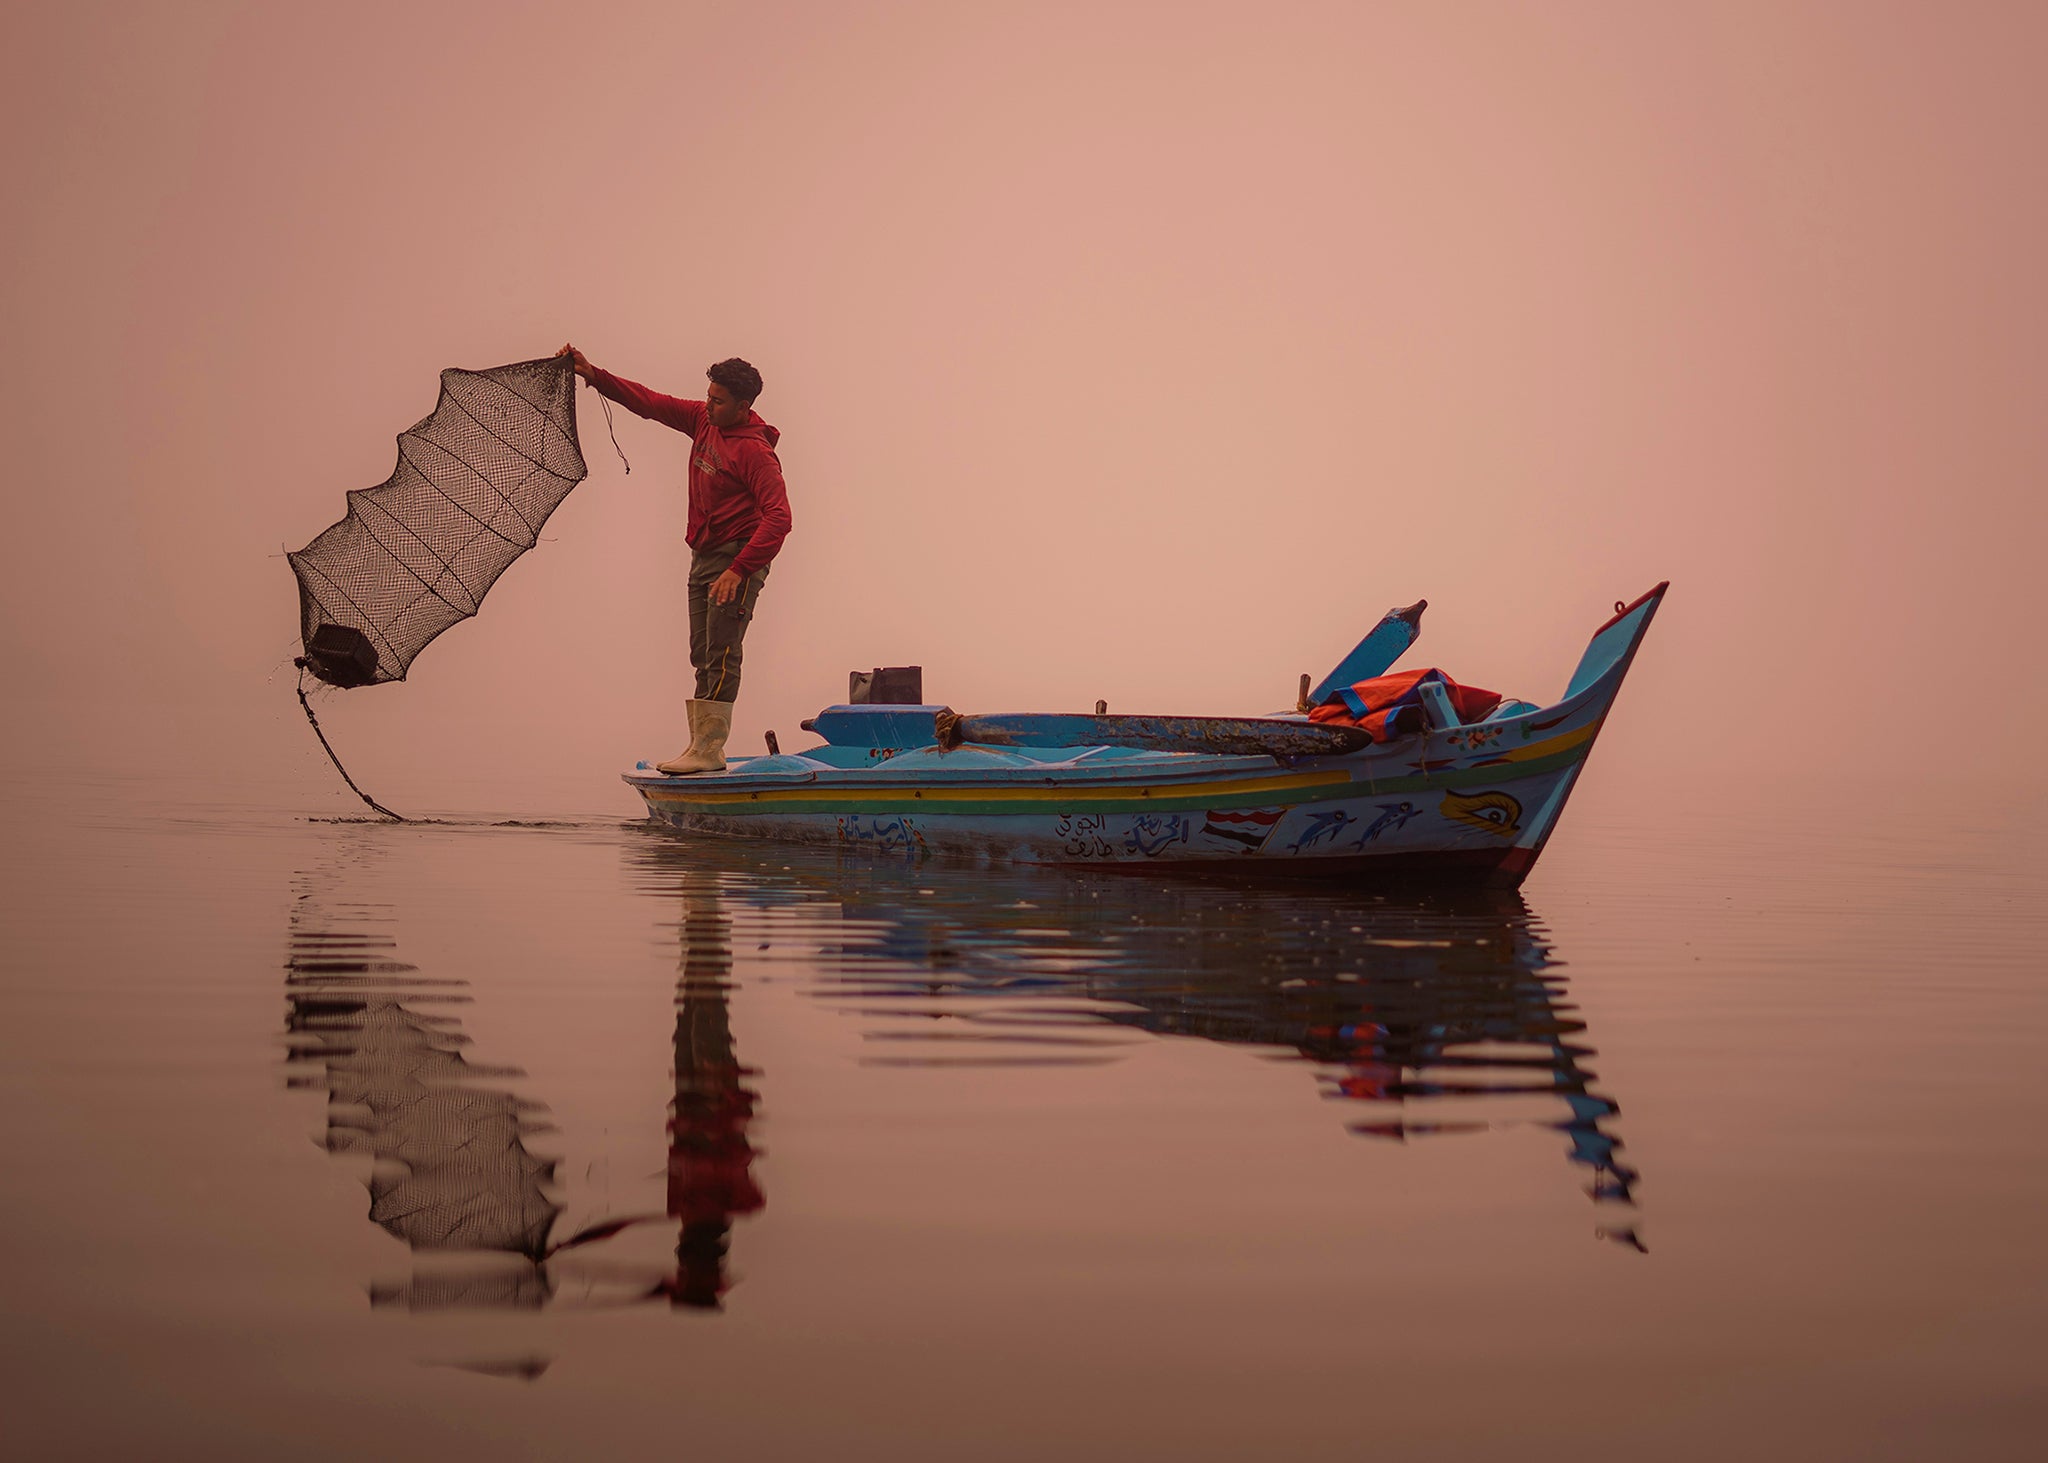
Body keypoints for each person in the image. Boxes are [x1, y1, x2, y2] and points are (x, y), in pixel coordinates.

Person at [556, 344, 793, 774]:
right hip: (704, 555)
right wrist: (595, 375)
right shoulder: (703, 420)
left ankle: (709, 749)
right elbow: (653, 403)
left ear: (743, 407)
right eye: (708, 395)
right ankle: (699, 744)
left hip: (738, 557)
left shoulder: (755, 453)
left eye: (718, 401)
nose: (708, 405)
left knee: (722, 651)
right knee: (701, 652)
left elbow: (780, 518)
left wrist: (739, 571)